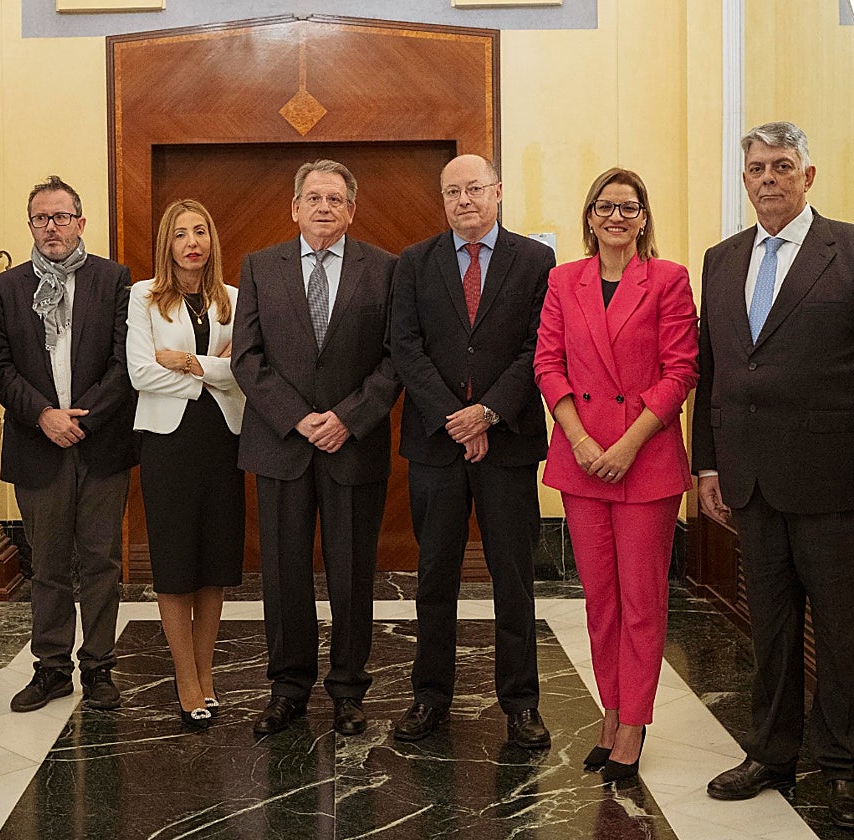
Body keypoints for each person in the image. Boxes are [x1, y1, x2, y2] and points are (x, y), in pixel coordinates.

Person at [693, 122, 854, 829]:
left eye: (782, 166)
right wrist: (707, 463)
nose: (768, 178)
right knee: (775, 630)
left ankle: (845, 763)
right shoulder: (722, 259)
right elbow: (715, 369)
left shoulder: (847, 250)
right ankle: (772, 753)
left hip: (833, 482)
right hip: (749, 483)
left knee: (845, 634)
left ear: (808, 176)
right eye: (756, 167)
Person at [534, 168, 698, 784]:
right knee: (600, 602)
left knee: (641, 603)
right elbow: (548, 363)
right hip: (581, 461)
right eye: (605, 207)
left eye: (628, 207)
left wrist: (626, 445)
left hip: (644, 461)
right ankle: (611, 711)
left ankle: (635, 722)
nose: (616, 217)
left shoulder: (669, 280)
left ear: (643, 217)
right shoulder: (562, 280)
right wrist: (579, 440)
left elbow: (680, 371)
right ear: (589, 216)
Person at [231, 159, 400, 737]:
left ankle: (350, 690)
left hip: (354, 445)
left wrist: (347, 419)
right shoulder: (260, 266)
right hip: (282, 444)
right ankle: (288, 688)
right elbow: (246, 358)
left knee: (353, 573)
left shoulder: (384, 269)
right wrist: (300, 418)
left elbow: (394, 358)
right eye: (313, 197)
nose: (324, 206)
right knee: (282, 573)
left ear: (352, 210)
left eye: (335, 198)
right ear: (294, 207)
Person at [389, 154, 553, 748]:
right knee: (435, 576)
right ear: (443, 199)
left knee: (513, 576)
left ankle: (521, 704)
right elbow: (404, 346)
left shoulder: (535, 260)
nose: (464, 200)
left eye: (475, 188)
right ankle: (430, 697)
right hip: (435, 445)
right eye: (452, 191)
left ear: (499, 192)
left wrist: (487, 412)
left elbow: (539, 346)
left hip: (507, 443)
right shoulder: (415, 262)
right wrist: (456, 419)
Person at [0, 175, 136, 714]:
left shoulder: (114, 280)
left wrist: (85, 418)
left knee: (102, 563)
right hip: (38, 444)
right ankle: (51, 668)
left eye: (60, 216)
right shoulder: (6, 289)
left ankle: (98, 668)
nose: (51, 227)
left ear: (80, 222)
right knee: (47, 566)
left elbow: (126, 363)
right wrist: (44, 416)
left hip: (101, 445)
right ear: (30, 225)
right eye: (40, 218)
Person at [127, 199, 245, 728]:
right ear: (167, 244)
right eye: (180, 234)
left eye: (200, 231)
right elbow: (140, 373)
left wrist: (191, 362)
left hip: (223, 440)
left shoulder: (234, 300)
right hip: (168, 443)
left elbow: (246, 372)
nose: (192, 242)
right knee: (175, 566)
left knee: (215, 565)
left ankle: (207, 671)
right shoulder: (144, 298)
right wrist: (212, 374)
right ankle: (184, 678)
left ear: (212, 241)